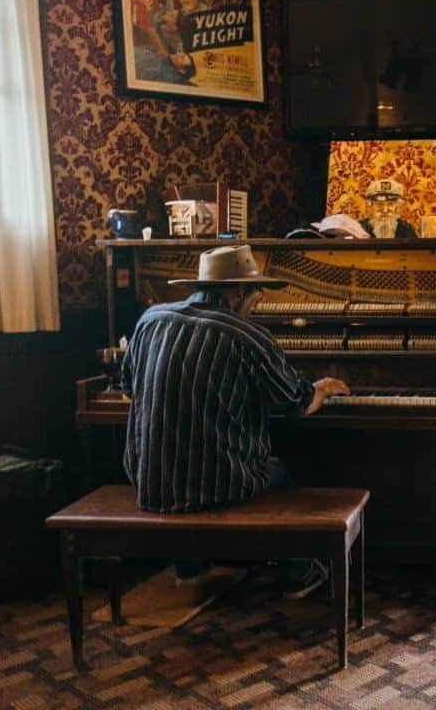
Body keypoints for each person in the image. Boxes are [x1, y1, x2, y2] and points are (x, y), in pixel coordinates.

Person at [120, 245, 350, 595]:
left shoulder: (150, 321)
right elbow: (298, 403)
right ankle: (296, 574)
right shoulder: (247, 335)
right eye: (255, 291)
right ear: (239, 291)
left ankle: (190, 564)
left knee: (186, 456)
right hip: (217, 485)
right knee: (286, 470)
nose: (255, 301)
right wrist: (323, 387)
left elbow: (128, 389)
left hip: (148, 481)